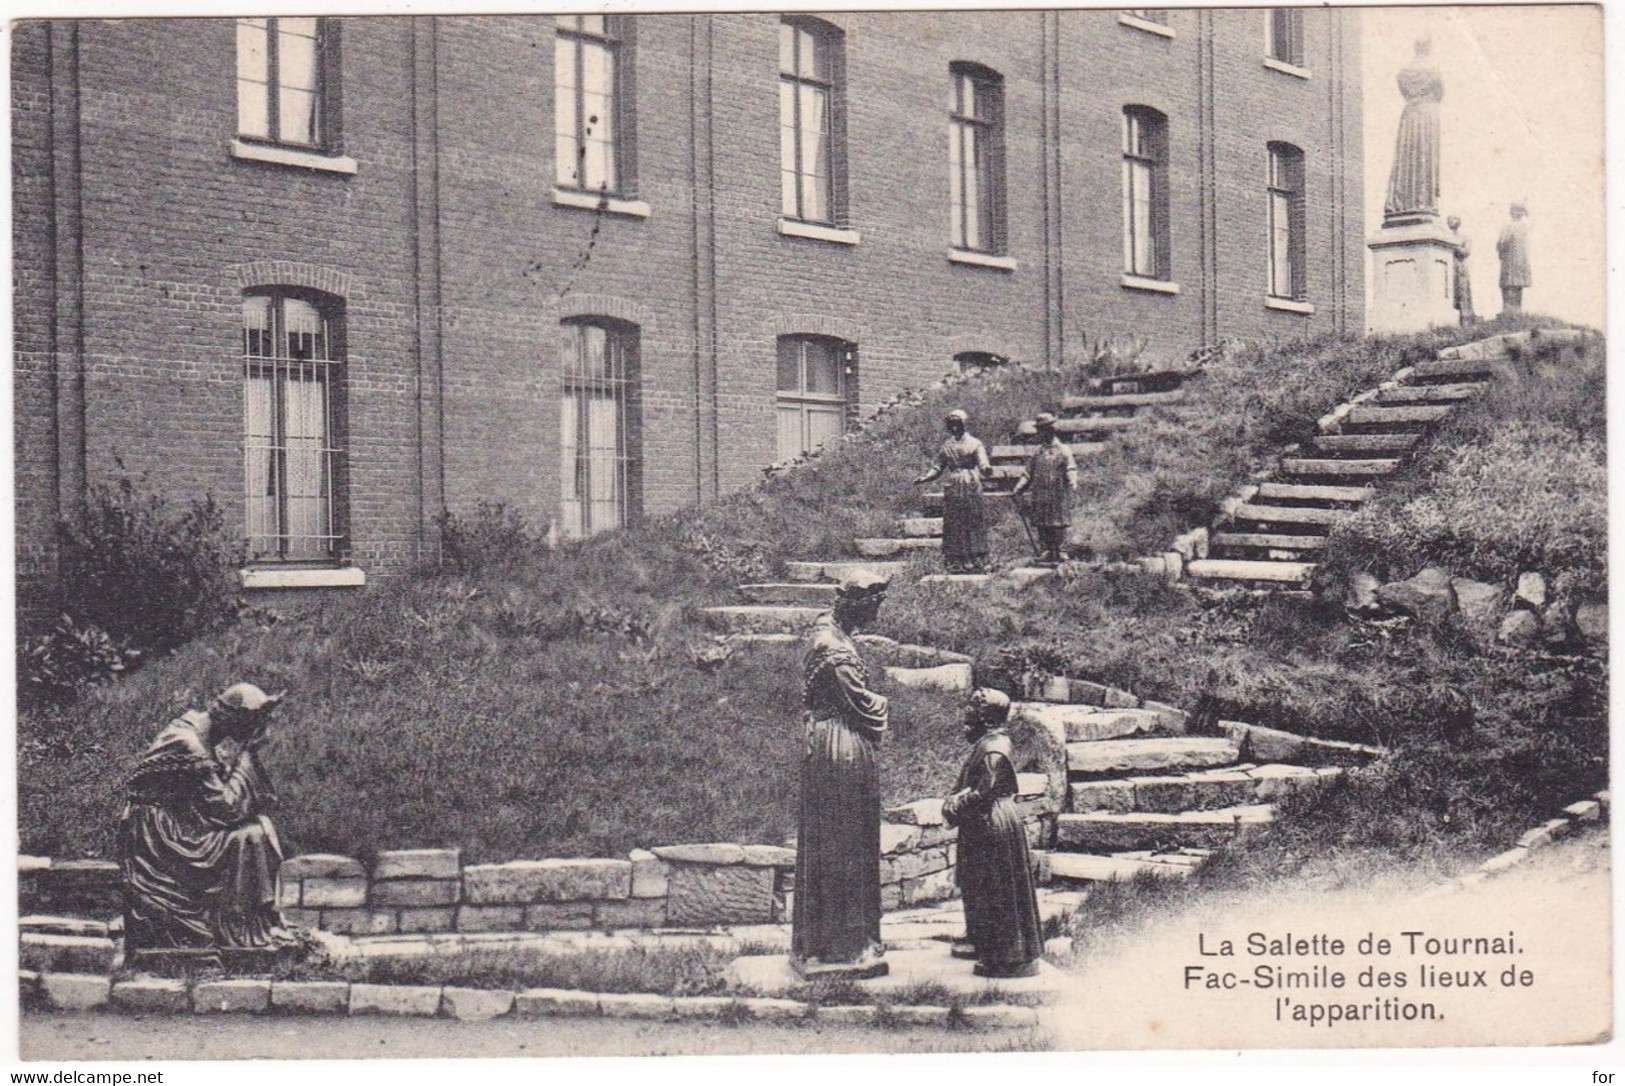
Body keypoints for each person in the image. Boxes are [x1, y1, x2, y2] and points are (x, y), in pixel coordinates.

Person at [118, 683, 290, 956]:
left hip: (181, 822)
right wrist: (248, 754)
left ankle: (253, 925)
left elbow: (212, 803)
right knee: (250, 835)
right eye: (255, 723)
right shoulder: (189, 744)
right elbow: (227, 809)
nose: (259, 732)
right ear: (236, 719)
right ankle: (240, 929)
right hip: (161, 837)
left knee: (258, 828)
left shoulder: (203, 734)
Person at [791, 570, 890, 979]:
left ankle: (824, 941)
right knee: (844, 841)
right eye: (874, 608)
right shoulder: (837, 653)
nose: (876, 617)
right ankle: (844, 947)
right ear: (858, 606)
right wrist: (884, 703)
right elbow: (864, 706)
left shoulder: (827, 632)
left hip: (829, 742)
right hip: (841, 749)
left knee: (837, 837)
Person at [943, 688, 1044, 979]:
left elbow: (983, 792)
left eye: (972, 712)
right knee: (979, 884)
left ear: (986, 717)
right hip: (984, 822)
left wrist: (952, 806)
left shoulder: (994, 750)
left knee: (997, 889)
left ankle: (1007, 957)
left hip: (992, 822)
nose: (966, 716)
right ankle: (983, 940)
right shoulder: (989, 742)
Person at [913, 409, 993, 573]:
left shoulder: (975, 443)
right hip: (953, 486)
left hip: (970, 483)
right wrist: (926, 477)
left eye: (957, 424)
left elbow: (983, 462)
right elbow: (938, 466)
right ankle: (956, 559)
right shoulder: (946, 446)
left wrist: (986, 469)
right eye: (952, 424)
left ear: (964, 424)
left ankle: (976, 558)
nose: (954, 428)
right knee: (954, 522)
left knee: (972, 519)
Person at [1010, 413, 1078, 564]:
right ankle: (1046, 550)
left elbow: (1071, 468)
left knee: (1058, 522)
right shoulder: (1037, 453)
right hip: (1040, 493)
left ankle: (1061, 550)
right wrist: (1019, 488)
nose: (1040, 434)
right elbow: (1028, 473)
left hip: (1058, 492)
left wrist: (1072, 481)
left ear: (1051, 430)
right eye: (1039, 431)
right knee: (1042, 522)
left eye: (1043, 430)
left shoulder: (1063, 450)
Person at [1497, 201, 1532, 314]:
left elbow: (1502, 242)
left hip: (1516, 260)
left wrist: (1500, 247)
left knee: (1514, 285)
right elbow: (1502, 242)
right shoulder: (1512, 225)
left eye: (1519, 210)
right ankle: (1511, 310)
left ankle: (1514, 310)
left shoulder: (1520, 225)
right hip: (1511, 259)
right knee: (1511, 284)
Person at [1447, 215, 1475, 324]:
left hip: (1460, 265)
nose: (1451, 222)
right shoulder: (1445, 235)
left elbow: (1466, 252)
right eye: (1449, 220)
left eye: (1454, 220)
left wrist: (1455, 246)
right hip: (1449, 266)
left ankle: (1465, 319)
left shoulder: (1464, 236)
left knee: (1462, 291)